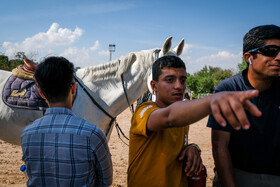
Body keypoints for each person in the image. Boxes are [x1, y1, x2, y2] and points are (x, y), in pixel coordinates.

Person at [127, 55, 261, 187]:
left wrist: (193, 148)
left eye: (183, 80)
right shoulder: (144, 111)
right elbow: (168, 118)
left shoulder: (183, 117)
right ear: (154, 86)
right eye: (170, 80)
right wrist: (212, 100)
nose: (179, 86)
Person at [21, 56, 113, 187]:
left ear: (41, 93)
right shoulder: (93, 134)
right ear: (74, 88)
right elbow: (106, 181)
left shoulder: (26, 134)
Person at [207, 24, 280, 187]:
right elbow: (220, 146)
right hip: (238, 174)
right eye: (271, 51)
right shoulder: (228, 89)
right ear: (249, 57)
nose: (279, 57)